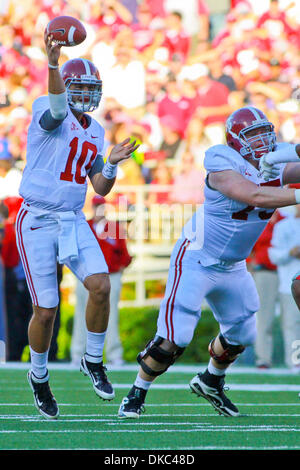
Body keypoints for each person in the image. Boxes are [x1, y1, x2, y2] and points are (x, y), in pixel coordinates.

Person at [118, 106, 300, 419]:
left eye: (264, 133)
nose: (260, 140)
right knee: (175, 338)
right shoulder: (221, 160)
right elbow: (254, 195)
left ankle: (211, 380)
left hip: (234, 264)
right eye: (252, 134)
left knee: (243, 332)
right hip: (197, 257)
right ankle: (136, 393)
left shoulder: (275, 165)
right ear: (234, 141)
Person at [15, 32, 139, 420]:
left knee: (100, 286)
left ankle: (93, 359)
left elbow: (99, 185)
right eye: (78, 88)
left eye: (91, 89)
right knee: (46, 309)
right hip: (36, 218)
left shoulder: (97, 129)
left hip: (72, 218)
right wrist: (52, 64)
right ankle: (39, 376)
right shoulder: (48, 108)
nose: (85, 95)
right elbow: (54, 110)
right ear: (64, 88)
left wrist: (113, 163)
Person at [71, 194, 132, 366]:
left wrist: (119, 268)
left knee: (111, 314)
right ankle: (78, 352)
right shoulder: (85, 226)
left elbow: (125, 254)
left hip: (110, 276)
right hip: (87, 277)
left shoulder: (113, 227)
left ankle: (114, 353)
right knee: (82, 313)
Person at [247, 210, 284, 369]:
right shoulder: (259, 220)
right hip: (265, 272)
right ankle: (263, 358)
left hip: (288, 269)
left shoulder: (286, 220)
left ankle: (294, 359)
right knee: (264, 317)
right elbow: (248, 246)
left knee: (292, 318)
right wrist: (250, 266)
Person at [268, 204, 300, 371]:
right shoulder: (283, 226)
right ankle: (295, 362)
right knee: (292, 325)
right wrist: (290, 252)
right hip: (289, 281)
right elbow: (273, 255)